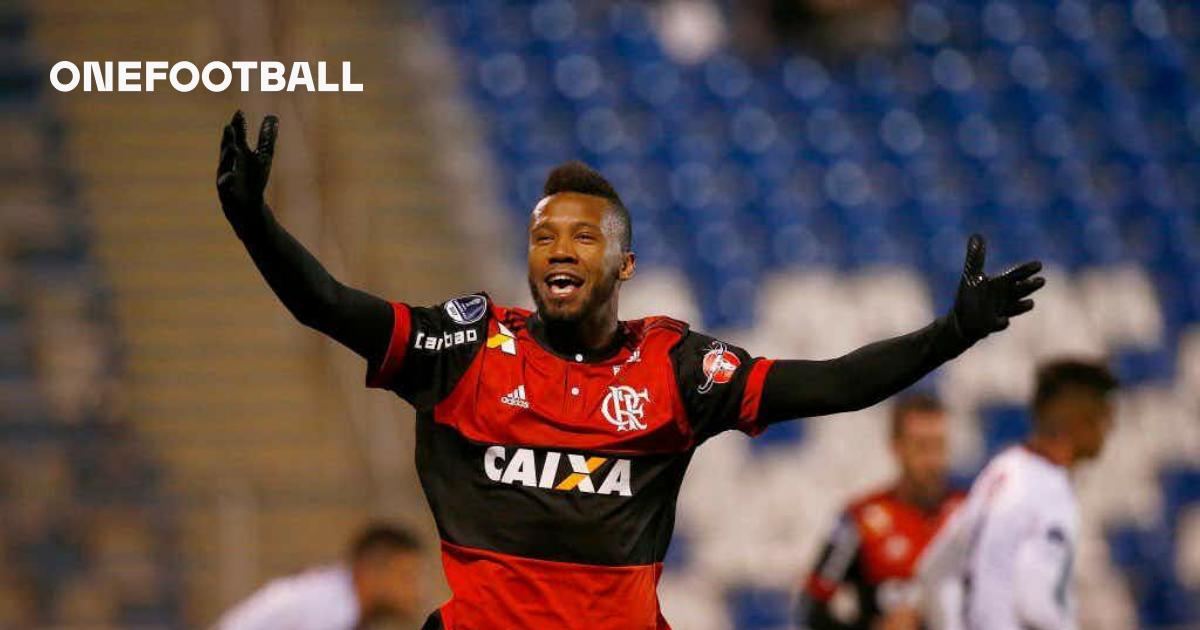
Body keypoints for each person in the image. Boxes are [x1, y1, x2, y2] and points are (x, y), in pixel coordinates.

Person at [214, 111, 1045, 629]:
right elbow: (330, 305)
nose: (560, 251)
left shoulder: (676, 368)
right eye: (544, 237)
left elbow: (829, 383)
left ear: (625, 263)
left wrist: (950, 334)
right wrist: (256, 226)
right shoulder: (467, 350)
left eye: (583, 237)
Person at [916, 360, 1119, 630]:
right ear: (1081, 420)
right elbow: (1035, 603)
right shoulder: (1041, 489)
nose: (1109, 428)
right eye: (1104, 416)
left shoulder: (1002, 472)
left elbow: (936, 567)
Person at [796, 393, 964, 630]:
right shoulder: (861, 519)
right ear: (897, 448)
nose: (932, 460)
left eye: (939, 445)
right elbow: (812, 608)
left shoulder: (969, 514)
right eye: (921, 447)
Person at [214, 523, 422, 630]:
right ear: (372, 572)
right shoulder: (328, 609)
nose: (416, 591)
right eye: (406, 577)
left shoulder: (336, 601)